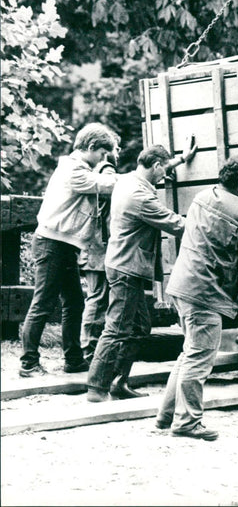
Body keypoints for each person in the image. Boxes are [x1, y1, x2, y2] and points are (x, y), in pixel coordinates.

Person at [156, 156, 238, 441]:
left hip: (181, 286)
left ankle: (166, 416)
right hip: (205, 294)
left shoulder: (201, 197)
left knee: (190, 353)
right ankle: (187, 423)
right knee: (199, 358)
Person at [86, 142, 195, 402]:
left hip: (123, 264)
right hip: (127, 268)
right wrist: (210, 223)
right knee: (116, 328)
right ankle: (96, 387)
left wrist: (181, 159)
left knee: (139, 327)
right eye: (164, 170)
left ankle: (117, 382)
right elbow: (175, 223)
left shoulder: (127, 180)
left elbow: (159, 169)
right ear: (156, 166)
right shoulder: (140, 197)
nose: (165, 175)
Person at [19, 123, 119, 377]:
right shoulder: (74, 170)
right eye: (103, 154)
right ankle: (28, 363)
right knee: (43, 303)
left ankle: (73, 360)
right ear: (92, 147)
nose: (103, 160)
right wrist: (138, 180)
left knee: (74, 303)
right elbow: (104, 184)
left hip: (62, 246)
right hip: (52, 244)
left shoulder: (78, 167)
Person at [78, 136, 120, 364]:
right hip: (99, 248)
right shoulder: (106, 170)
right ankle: (89, 350)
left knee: (97, 298)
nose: (117, 152)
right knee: (98, 298)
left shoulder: (98, 170)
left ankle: (90, 349)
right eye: (114, 149)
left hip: (94, 247)